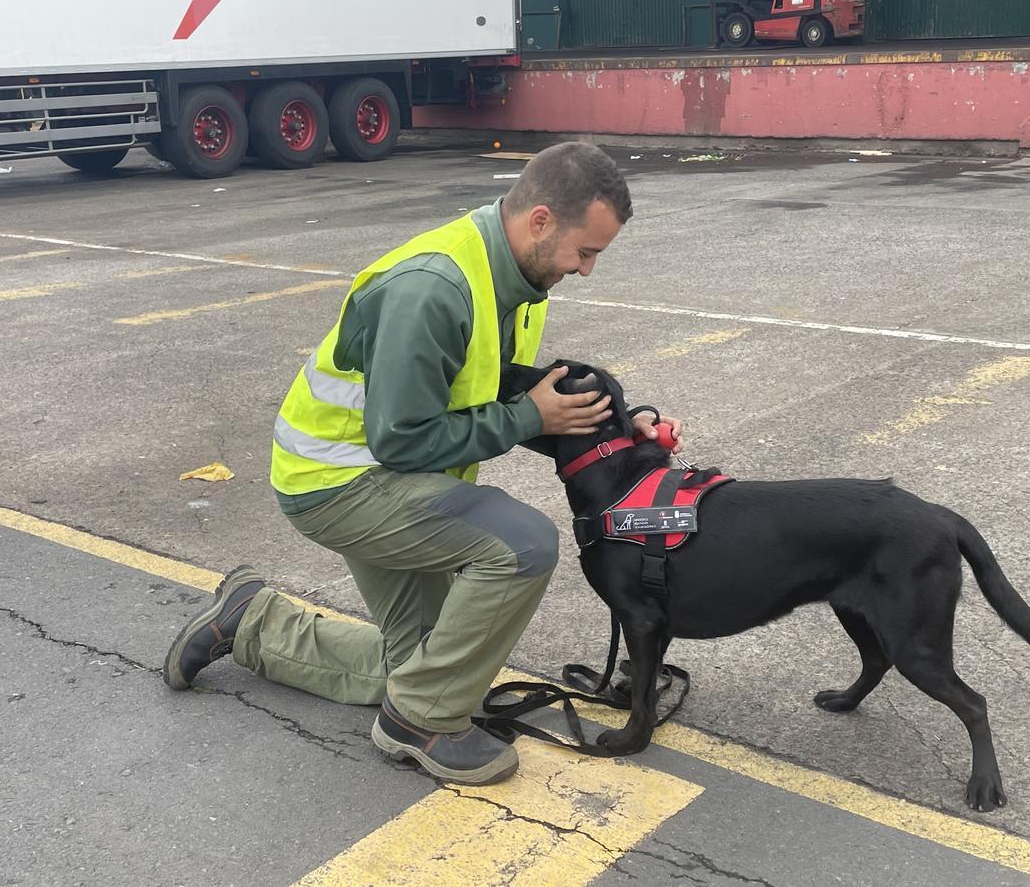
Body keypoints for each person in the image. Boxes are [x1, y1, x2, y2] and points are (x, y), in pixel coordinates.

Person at [162, 141, 681, 786]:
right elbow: (404, 440)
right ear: (540, 221)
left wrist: (619, 434)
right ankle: (420, 724)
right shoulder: (434, 288)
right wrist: (528, 419)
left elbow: (500, 393)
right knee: (521, 546)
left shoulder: (517, 280)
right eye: (587, 251)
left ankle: (252, 622)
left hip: (392, 479)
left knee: (428, 665)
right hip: (343, 484)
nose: (588, 270)